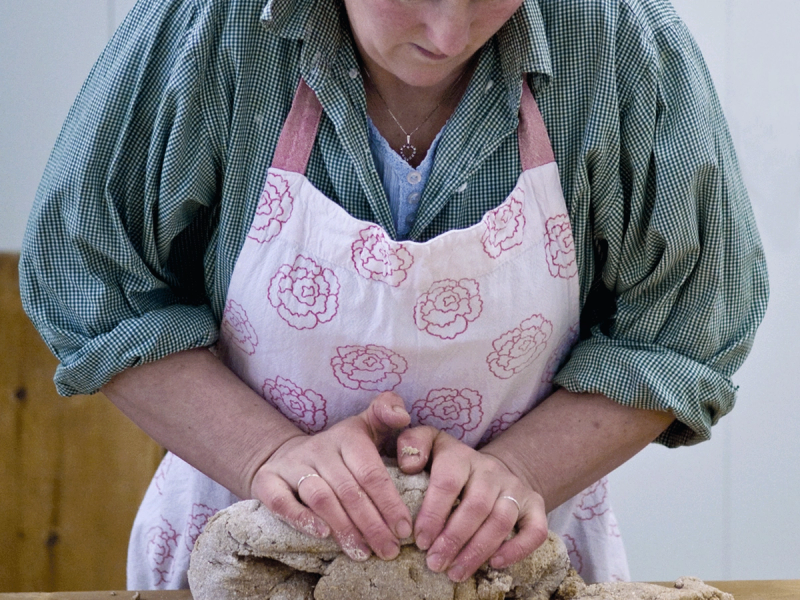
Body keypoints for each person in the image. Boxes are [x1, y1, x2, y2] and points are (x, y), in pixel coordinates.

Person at [20, 0, 768, 591]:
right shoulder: (212, 23)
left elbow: (683, 329)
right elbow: (91, 286)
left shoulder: (621, 43)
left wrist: (520, 474)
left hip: (518, 562)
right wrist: (269, 453)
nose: (447, 31)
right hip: (247, 549)